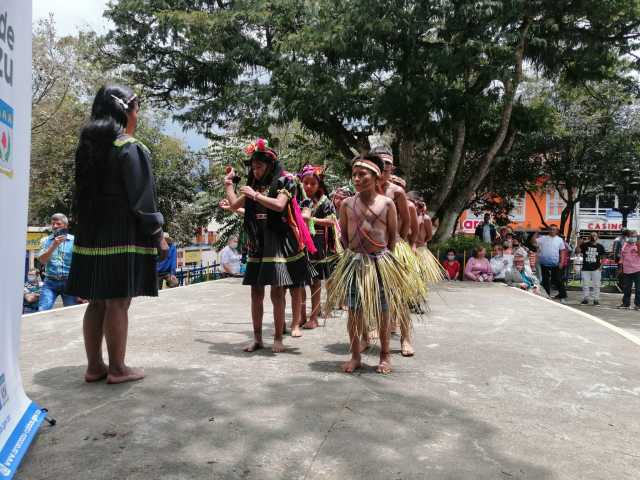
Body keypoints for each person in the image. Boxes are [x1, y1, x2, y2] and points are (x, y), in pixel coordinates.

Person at [66, 85, 168, 384]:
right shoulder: (130, 148)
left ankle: (94, 366)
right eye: (136, 109)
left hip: (89, 234)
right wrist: (158, 234)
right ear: (125, 112)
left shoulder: (88, 147)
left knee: (97, 301)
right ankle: (118, 368)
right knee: (118, 302)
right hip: (122, 235)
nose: (138, 115)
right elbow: (142, 199)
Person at [325, 153, 417, 374]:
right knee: (354, 312)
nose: (356, 179)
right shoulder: (347, 204)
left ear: (376, 177)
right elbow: (344, 237)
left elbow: (393, 237)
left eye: (362, 174)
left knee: (384, 312)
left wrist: (389, 262)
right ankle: (355, 355)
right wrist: (352, 255)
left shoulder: (387, 203)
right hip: (355, 264)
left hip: (380, 263)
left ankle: (385, 356)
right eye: (354, 175)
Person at [223, 138, 315, 352]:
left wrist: (255, 195)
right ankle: (257, 339)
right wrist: (229, 184)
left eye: (259, 167)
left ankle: (278, 338)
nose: (255, 171)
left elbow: (279, 205)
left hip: (279, 240)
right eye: (253, 167)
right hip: (258, 240)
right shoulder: (254, 185)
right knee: (256, 291)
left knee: (277, 290)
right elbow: (235, 204)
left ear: (270, 166)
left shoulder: (287, 181)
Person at [299, 165, 339, 330]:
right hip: (299, 242)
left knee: (315, 281)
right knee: (299, 281)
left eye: (312, 184)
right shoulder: (297, 200)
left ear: (319, 185)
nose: (308, 186)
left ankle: (313, 317)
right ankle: (300, 316)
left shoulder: (325, 202)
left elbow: (332, 221)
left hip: (317, 244)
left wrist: (312, 221)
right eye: (305, 183)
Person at [37, 213, 77, 311]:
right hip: (50, 282)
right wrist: (53, 245)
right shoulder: (45, 241)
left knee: (72, 312)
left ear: (66, 226)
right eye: (53, 224)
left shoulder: (75, 241)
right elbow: (42, 260)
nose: (55, 226)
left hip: (69, 282)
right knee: (42, 310)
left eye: (58, 224)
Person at [537, 225, 567, 303]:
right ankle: (547, 295)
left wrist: (561, 262)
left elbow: (562, 251)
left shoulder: (559, 240)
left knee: (557, 279)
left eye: (554, 229)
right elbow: (533, 242)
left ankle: (562, 295)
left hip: (556, 263)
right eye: (551, 229)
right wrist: (535, 233)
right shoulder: (543, 238)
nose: (552, 231)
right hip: (544, 263)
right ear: (549, 230)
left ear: (557, 231)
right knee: (545, 280)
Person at [576, 232, 605, 305]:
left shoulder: (600, 246)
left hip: (596, 269)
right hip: (586, 268)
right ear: (589, 237)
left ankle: (596, 299)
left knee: (597, 285)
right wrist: (579, 244)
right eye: (592, 235)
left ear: (597, 237)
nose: (593, 237)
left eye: (595, 235)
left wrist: (601, 266)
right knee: (585, 284)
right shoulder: (584, 245)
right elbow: (577, 252)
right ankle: (585, 299)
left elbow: (604, 257)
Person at [618, 230, 640, 310]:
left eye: (634, 236)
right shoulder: (625, 245)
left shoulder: (638, 244)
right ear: (629, 237)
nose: (633, 238)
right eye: (631, 236)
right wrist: (620, 268)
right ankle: (625, 303)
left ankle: (638, 305)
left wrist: (638, 247)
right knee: (627, 288)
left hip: (637, 269)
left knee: (638, 289)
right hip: (627, 270)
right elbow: (622, 257)